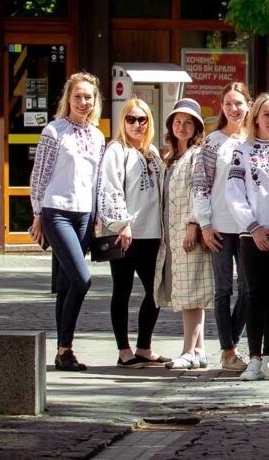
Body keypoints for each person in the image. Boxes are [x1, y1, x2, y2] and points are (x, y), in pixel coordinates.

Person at [29, 71, 106, 371]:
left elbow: (96, 181)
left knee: (65, 284)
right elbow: (39, 175)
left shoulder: (98, 136)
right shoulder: (53, 131)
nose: (83, 102)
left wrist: (97, 218)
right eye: (78, 96)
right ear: (68, 99)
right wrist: (38, 213)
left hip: (84, 215)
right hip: (56, 211)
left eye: (89, 97)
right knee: (81, 279)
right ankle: (66, 347)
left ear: (95, 100)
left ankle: (63, 352)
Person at [226, 93, 269, 381]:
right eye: (267, 114)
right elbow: (234, 191)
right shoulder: (242, 151)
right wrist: (253, 227)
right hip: (252, 233)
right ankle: (253, 357)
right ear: (255, 117)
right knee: (255, 294)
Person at [98, 98, 168, 368]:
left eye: (142, 119)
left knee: (156, 291)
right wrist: (120, 223)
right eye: (131, 119)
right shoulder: (117, 150)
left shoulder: (152, 152)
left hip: (152, 233)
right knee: (122, 291)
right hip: (125, 234)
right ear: (122, 122)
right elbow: (110, 188)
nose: (137, 124)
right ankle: (123, 350)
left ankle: (144, 346)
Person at [193, 82, 251, 372]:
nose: (234, 108)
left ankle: (233, 342)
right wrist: (204, 223)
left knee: (248, 288)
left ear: (248, 105)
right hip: (219, 225)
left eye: (239, 103)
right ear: (222, 107)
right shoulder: (213, 141)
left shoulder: (255, 140)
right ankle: (228, 351)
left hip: (248, 225)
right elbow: (201, 184)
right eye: (228, 103)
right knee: (223, 289)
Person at [154, 98, 211, 370]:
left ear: (197, 126)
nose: (182, 126)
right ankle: (199, 350)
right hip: (171, 233)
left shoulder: (197, 154)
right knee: (187, 290)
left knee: (192, 291)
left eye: (188, 122)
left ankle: (188, 351)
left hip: (190, 232)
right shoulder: (169, 157)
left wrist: (193, 224)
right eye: (177, 121)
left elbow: (199, 191)